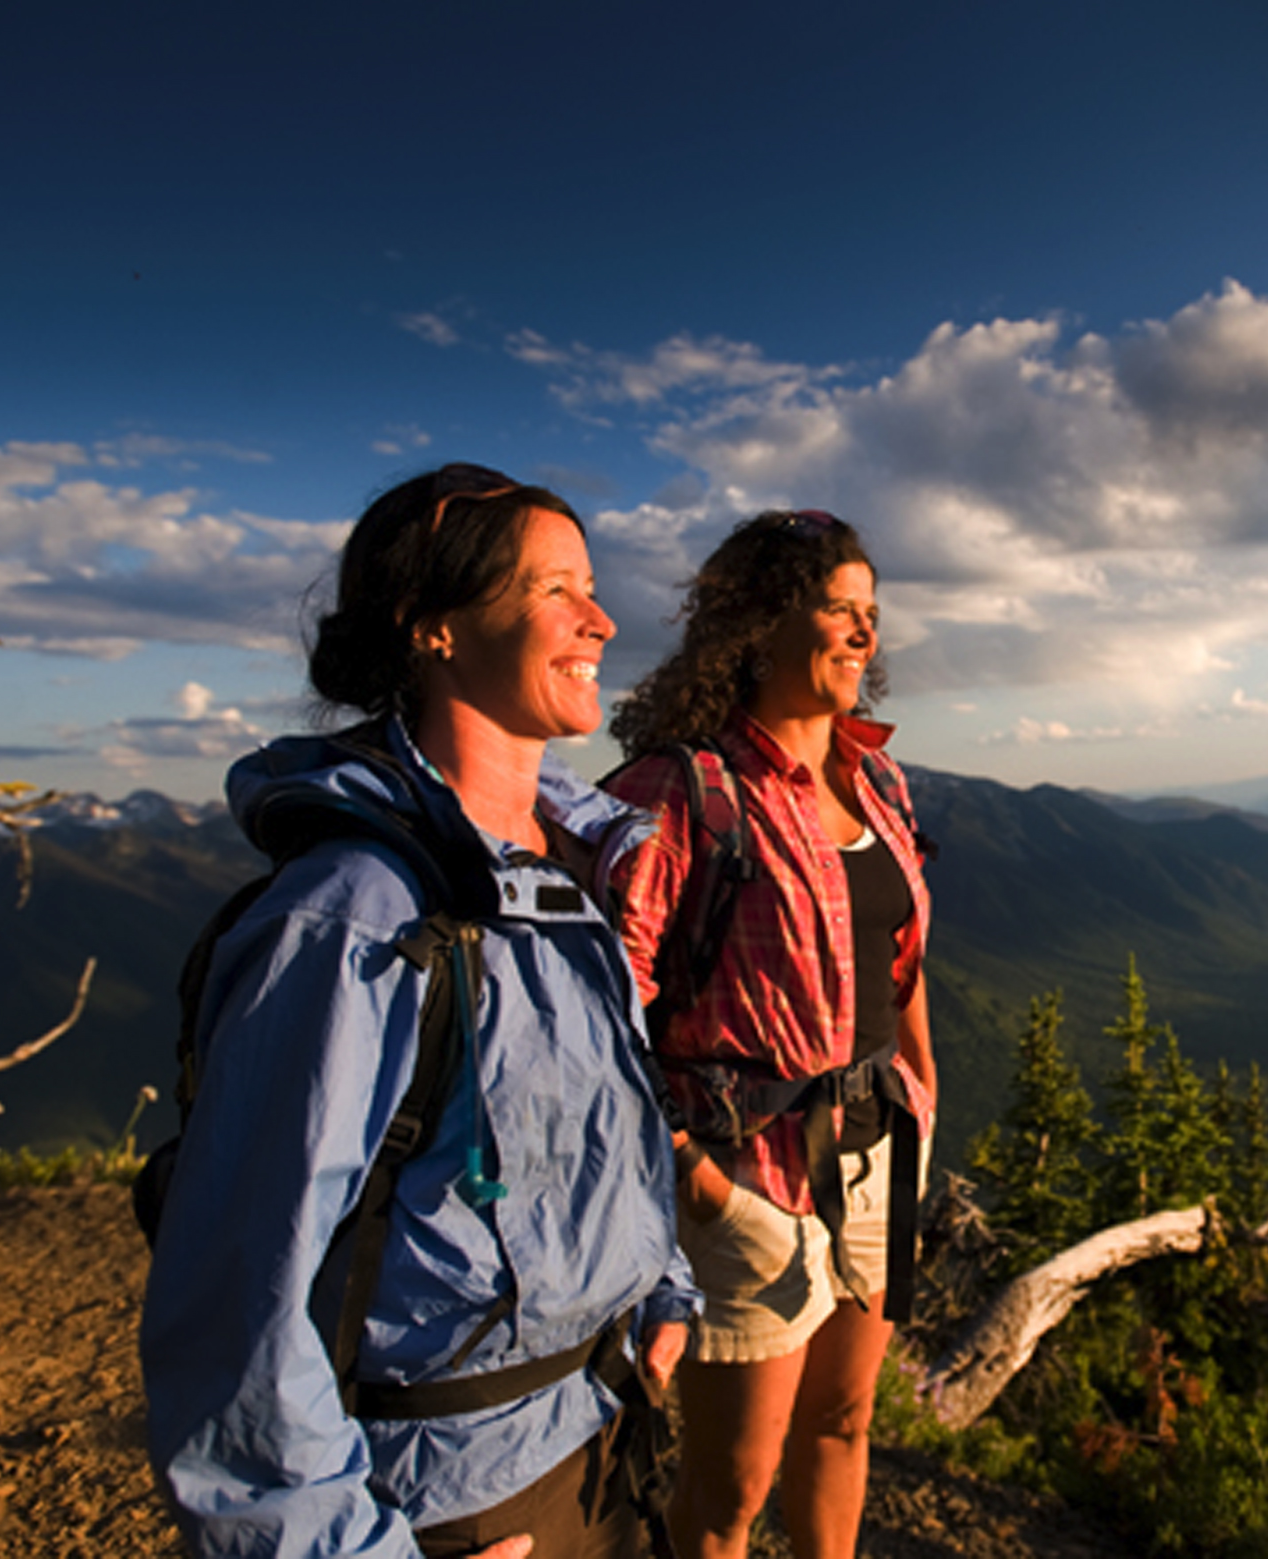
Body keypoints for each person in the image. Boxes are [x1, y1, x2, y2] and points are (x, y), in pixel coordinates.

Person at [141, 464, 699, 1558]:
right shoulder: (356, 919)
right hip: (453, 1502)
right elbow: (237, 1306)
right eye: (556, 590)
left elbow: (589, 1133)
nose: (603, 616)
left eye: (591, 586)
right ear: (434, 627)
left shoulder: (558, 878)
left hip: (599, 1438)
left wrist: (655, 1289)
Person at [605, 510, 935, 1559]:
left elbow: (899, 952)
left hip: (876, 1146)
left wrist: (923, 1082)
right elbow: (594, 1019)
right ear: (757, 620)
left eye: (870, 613)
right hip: (745, 1175)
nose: (863, 634)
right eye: (837, 607)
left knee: (845, 1422)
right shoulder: (682, 790)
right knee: (730, 1489)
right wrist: (701, 1182)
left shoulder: (876, 780)